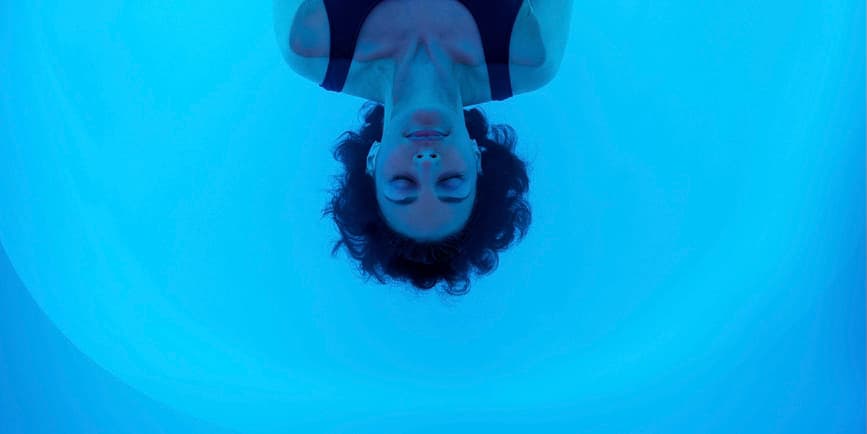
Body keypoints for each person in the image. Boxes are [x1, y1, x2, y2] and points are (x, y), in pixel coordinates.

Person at [273, 0, 572, 295]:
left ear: (373, 160)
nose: (427, 162)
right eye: (451, 182)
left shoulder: (308, 44)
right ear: (476, 158)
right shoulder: (531, 57)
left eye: (403, 184)